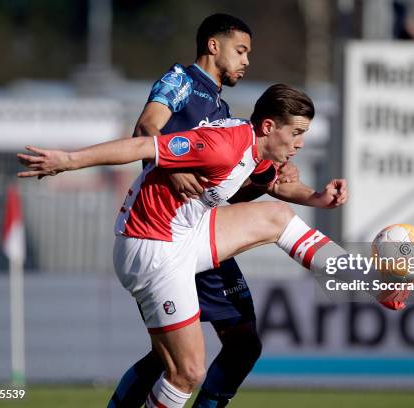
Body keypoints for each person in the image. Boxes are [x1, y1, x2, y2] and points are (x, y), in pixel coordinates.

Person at [18, 84, 406, 408]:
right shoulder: (223, 143)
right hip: (152, 245)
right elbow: (143, 147)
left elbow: (274, 182)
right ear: (269, 126)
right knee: (187, 372)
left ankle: (373, 283)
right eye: (296, 133)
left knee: (276, 217)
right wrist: (68, 160)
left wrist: (317, 196)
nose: (301, 143)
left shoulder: (254, 150)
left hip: (186, 233)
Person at [113, 13, 297, 408]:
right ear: (214, 45)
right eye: (241, 50)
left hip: (201, 230)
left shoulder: (221, 109)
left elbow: (226, 195)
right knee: (185, 360)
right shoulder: (180, 81)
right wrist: (172, 170)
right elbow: (145, 131)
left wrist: (280, 184)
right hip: (166, 232)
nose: (247, 61)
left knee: (238, 345)